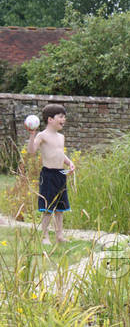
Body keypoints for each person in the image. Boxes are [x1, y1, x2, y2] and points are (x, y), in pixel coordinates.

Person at [27, 103, 75, 245]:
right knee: (48, 208)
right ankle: (45, 237)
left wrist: (69, 162)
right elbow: (31, 151)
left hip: (61, 174)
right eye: (60, 117)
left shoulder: (61, 137)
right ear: (50, 119)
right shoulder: (42, 135)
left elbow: (60, 153)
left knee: (60, 208)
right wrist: (32, 136)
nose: (63, 119)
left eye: (64, 117)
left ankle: (59, 236)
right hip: (48, 175)